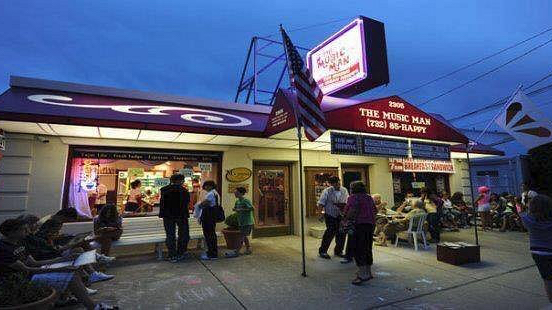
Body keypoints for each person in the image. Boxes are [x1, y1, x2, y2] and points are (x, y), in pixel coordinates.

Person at [0, 218, 117, 310]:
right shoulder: (4, 249)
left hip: (33, 272)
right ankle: (92, 306)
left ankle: (86, 298)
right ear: (11, 232)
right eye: (23, 230)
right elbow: (27, 270)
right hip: (22, 280)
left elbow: (34, 263)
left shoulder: (19, 243)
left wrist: (61, 261)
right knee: (70, 275)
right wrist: (60, 268)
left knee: (71, 271)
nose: (27, 232)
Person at [342, 181, 377, 285]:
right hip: (370, 225)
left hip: (358, 225)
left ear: (353, 189)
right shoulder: (369, 197)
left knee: (358, 249)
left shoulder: (353, 198)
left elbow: (352, 211)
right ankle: (368, 272)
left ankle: (362, 274)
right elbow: (375, 210)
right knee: (367, 248)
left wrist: (344, 218)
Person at [520, 194, 552, 303]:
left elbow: (522, 212)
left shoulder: (528, 220)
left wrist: (523, 203)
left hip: (539, 252)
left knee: (547, 279)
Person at [159, 174, 191, 262]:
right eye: (183, 180)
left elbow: (162, 203)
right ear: (179, 181)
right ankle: (181, 252)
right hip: (181, 215)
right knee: (183, 234)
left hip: (168, 216)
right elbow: (187, 202)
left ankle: (172, 254)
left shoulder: (164, 190)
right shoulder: (184, 190)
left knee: (170, 235)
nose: (183, 181)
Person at [317, 176, 349, 259]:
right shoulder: (327, 191)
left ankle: (339, 251)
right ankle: (323, 251)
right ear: (331, 184)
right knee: (329, 233)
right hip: (330, 214)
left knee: (342, 233)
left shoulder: (344, 190)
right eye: (335, 184)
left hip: (341, 215)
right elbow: (321, 203)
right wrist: (320, 214)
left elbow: (347, 202)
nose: (337, 185)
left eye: (338, 183)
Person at [226, 187, 254, 257]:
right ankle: (248, 248)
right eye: (235, 193)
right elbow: (236, 208)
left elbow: (252, 208)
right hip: (241, 221)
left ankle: (237, 251)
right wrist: (235, 209)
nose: (235, 194)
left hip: (247, 222)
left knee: (241, 236)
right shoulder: (237, 201)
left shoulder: (246, 201)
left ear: (241, 193)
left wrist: (241, 209)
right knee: (243, 236)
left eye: (237, 193)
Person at [195, 180, 220, 260]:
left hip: (208, 216)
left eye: (206, 185)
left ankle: (211, 254)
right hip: (212, 216)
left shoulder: (210, 194)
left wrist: (199, 205)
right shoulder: (215, 193)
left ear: (210, 186)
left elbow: (203, 204)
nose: (205, 187)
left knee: (209, 235)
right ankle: (213, 252)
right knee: (211, 234)